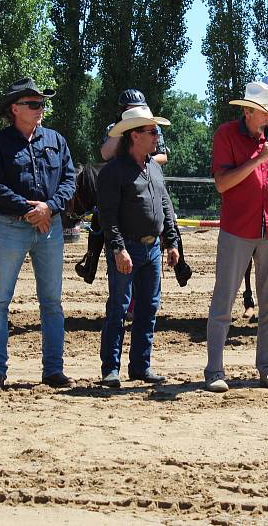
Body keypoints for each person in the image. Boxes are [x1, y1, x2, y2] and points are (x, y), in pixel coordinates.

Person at [204, 81, 268, 393]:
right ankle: (214, 371)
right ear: (248, 112)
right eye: (265, 114)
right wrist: (256, 160)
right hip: (237, 229)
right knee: (223, 301)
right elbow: (222, 184)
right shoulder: (226, 135)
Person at [0, 78, 76, 390]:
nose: (41, 109)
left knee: (52, 302)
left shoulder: (56, 140)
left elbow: (69, 180)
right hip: (12, 226)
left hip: (50, 227)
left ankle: (53, 370)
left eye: (42, 104)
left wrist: (49, 208)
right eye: (34, 104)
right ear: (15, 108)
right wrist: (29, 209)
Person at [96, 106, 180, 387]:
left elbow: (165, 205)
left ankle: (140, 367)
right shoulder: (114, 172)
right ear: (134, 136)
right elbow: (107, 216)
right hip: (127, 248)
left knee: (148, 308)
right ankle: (111, 368)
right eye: (152, 131)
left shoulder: (153, 167)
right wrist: (118, 249)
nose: (157, 136)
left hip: (153, 249)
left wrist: (171, 241)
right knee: (119, 307)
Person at [76, 89, 191, 288]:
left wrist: (142, 162)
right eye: (132, 109)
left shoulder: (153, 127)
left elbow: (163, 155)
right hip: (119, 180)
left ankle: (180, 264)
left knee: (168, 214)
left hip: (146, 177)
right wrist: (124, 132)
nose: (138, 112)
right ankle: (91, 261)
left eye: (140, 108)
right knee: (99, 217)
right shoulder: (115, 128)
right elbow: (105, 153)